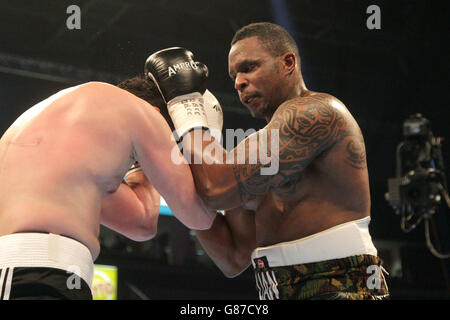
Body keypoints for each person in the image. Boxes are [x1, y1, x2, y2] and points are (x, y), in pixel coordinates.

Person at [144, 22, 390, 300]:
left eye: (249, 67)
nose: (238, 82)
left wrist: (186, 106)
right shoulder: (251, 150)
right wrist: (185, 145)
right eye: (234, 75)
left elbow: (215, 189)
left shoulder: (315, 113)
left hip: (339, 285)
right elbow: (233, 257)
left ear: (287, 62)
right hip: (274, 289)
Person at [0, 77, 215, 300]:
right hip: (34, 273)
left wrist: (139, 162)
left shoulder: (61, 131)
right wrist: (198, 126)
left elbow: (141, 222)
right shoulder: (141, 112)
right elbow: (200, 217)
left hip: (40, 273)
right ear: (156, 114)